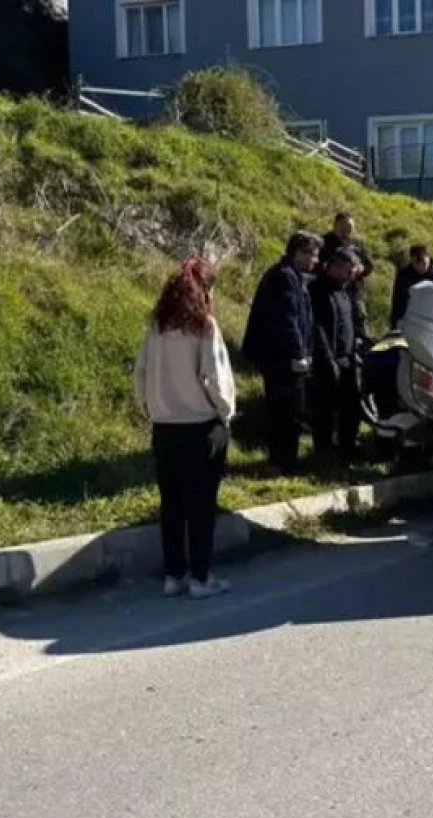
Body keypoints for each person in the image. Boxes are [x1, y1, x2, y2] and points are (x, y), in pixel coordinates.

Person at [134, 258, 237, 600]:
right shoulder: (205, 325)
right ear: (205, 289)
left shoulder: (158, 325)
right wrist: (225, 414)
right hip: (200, 426)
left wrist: (150, 408)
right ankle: (201, 578)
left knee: (172, 505)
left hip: (164, 427)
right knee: (201, 506)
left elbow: (141, 373)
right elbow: (216, 378)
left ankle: (173, 575)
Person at [242, 231, 319, 472]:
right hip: (280, 359)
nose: (315, 261)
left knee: (289, 411)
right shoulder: (284, 278)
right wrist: (298, 355)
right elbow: (287, 321)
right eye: (312, 255)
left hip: (282, 357)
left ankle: (285, 459)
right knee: (285, 412)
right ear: (298, 252)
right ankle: (282, 461)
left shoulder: (292, 276)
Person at [308, 246, 367, 463]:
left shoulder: (345, 291)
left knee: (351, 407)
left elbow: (350, 322)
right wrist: (327, 359)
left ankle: (347, 448)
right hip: (326, 360)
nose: (350, 276)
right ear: (334, 267)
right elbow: (317, 328)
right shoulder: (316, 290)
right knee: (323, 409)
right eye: (347, 271)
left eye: (352, 272)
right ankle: (322, 452)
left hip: (348, 358)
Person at [319, 212, 374, 340]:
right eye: (343, 226)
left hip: (354, 290)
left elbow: (369, 265)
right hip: (331, 292)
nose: (346, 231)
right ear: (335, 225)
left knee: (359, 318)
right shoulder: (324, 243)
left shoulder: (357, 243)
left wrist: (361, 269)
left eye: (350, 227)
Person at [390, 244, 433, 329]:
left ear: (428, 258)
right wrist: (395, 324)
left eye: (423, 263)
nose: (420, 267)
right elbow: (397, 301)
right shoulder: (404, 275)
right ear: (411, 260)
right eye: (416, 263)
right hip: (410, 319)